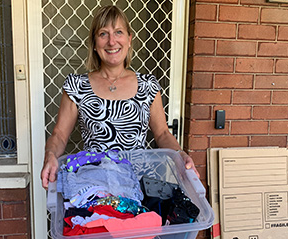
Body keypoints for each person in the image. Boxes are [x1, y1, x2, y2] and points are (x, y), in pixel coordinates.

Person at [41, 5, 199, 189]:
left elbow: (162, 133)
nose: (111, 41)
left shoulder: (148, 85)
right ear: (94, 42)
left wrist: (180, 156)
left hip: (139, 187)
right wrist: (50, 155)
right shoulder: (77, 86)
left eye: (118, 32)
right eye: (103, 34)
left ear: (129, 39)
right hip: (94, 189)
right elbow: (59, 135)